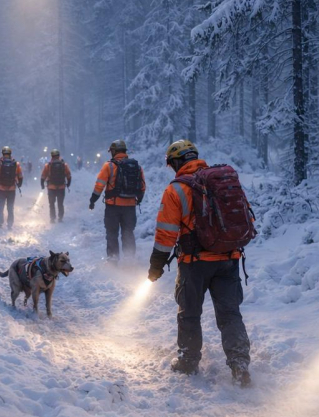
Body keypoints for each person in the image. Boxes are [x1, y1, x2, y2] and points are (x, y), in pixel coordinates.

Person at [147, 139, 252, 387]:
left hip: (194, 263)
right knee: (230, 314)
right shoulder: (221, 181)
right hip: (228, 258)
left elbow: (166, 234)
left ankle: (188, 361)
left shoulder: (176, 190)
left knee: (189, 313)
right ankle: (240, 364)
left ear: (176, 163)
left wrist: (156, 266)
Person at [89, 140, 145, 260]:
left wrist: (93, 200)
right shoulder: (136, 166)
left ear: (113, 151)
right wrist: (138, 199)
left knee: (112, 233)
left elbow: (99, 185)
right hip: (130, 207)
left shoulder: (109, 166)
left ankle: (113, 260)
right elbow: (142, 187)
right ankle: (130, 259)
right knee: (128, 232)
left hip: (113, 207)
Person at [0, 146, 23, 229]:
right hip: (11, 189)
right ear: (10, 153)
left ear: (2, 153)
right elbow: (20, 176)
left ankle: (0, 223)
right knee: (10, 208)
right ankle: (10, 224)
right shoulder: (16, 164)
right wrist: (19, 184)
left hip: (0, 189)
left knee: (0, 207)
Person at [41, 149, 71, 223]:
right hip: (61, 187)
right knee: (60, 203)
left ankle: (52, 218)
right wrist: (68, 184)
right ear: (59, 155)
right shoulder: (64, 165)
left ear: (51, 156)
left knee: (51, 204)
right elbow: (69, 175)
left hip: (51, 187)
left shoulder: (48, 165)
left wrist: (42, 184)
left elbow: (43, 176)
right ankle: (60, 218)